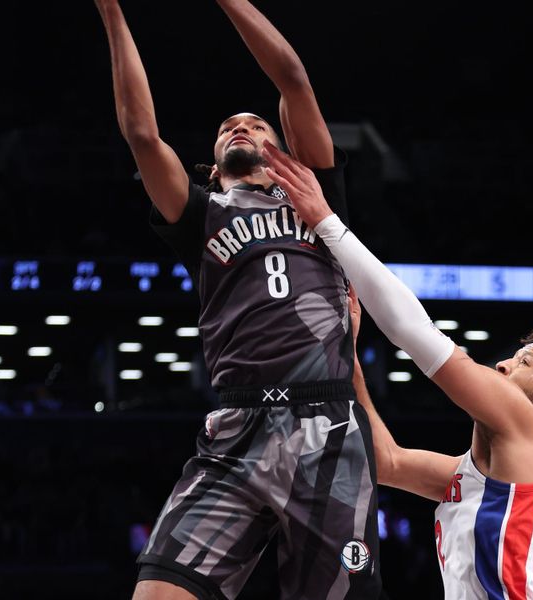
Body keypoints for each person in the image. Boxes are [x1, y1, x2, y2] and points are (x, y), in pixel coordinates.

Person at [94, 2, 381, 599]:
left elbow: (293, 79)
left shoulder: (314, 195)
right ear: (213, 161)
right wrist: (113, 12)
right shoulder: (199, 213)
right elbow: (142, 134)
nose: (238, 127)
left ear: (283, 149)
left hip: (325, 424)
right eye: (227, 127)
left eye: (254, 124)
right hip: (236, 427)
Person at [261, 141, 533, 599]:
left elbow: (416, 333)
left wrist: (327, 223)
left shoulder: (530, 428)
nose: (504, 362)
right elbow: (386, 462)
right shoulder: (469, 477)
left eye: (526, 361)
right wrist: (348, 356)